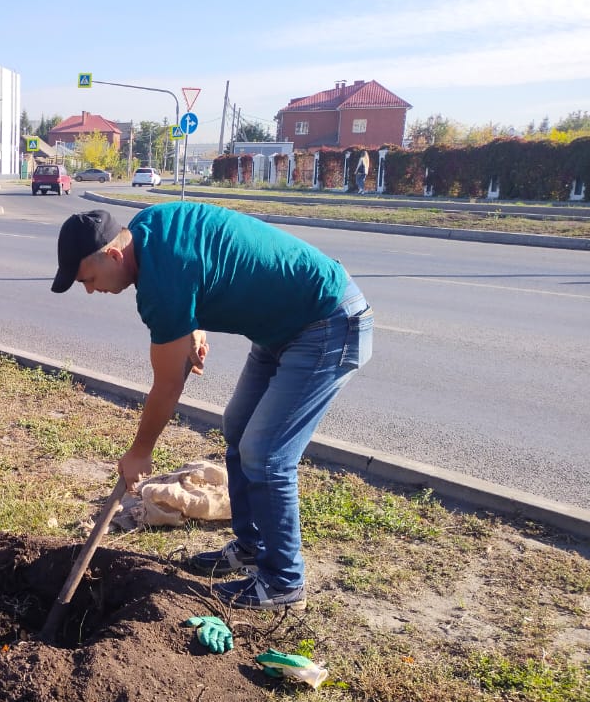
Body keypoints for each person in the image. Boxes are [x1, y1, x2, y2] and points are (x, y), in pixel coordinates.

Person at [51, 203, 373, 611]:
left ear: (114, 254)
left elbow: (168, 386)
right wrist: (193, 323)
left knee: (267, 453)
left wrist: (140, 452)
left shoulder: (161, 285)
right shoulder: (147, 228)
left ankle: (284, 583)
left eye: (89, 279)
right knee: (238, 426)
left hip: (327, 322)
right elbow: (201, 258)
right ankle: (254, 546)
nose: (91, 290)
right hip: (282, 326)